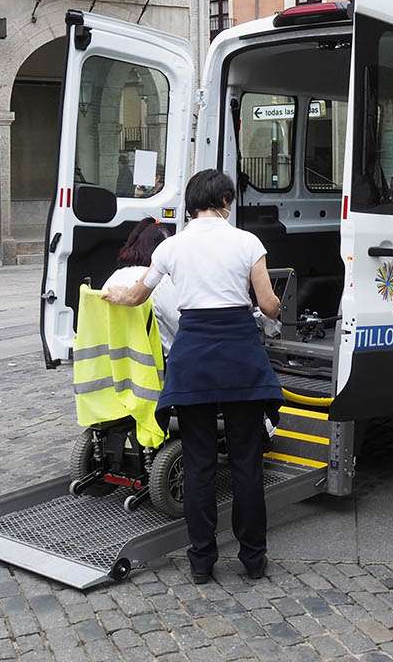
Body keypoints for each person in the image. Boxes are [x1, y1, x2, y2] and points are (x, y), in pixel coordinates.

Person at [102, 169, 282, 583]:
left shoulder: (172, 248)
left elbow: (135, 296)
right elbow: (269, 305)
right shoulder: (247, 242)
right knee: (246, 464)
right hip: (239, 356)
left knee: (200, 464)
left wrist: (110, 295)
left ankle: (202, 563)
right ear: (224, 201)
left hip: (194, 358)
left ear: (191, 203)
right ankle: (253, 561)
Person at [102, 218, 179, 351]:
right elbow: (181, 328)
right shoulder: (159, 282)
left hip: (119, 363)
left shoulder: (114, 277)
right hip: (158, 365)